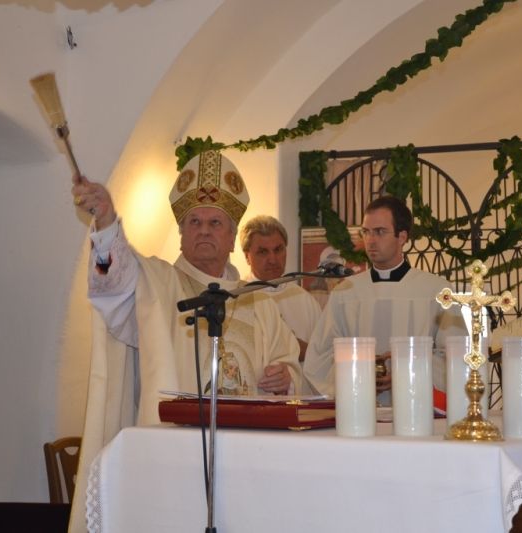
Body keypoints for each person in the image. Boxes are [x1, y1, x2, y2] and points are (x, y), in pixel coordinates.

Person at [68, 150, 301, 533]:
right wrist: (106, 222)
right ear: (181, 232)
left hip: (249, 458)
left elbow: (290, 363)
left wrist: (286, 376)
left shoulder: (258, 300)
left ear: (232, 239)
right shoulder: (157, 282)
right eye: (194, 221)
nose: (204, 230)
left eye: (215, 222)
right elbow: (113, 281)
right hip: (176, 457)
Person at [303, 195, 468, 402]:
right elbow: (320, 358)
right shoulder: (345, 292)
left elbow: (456, 356)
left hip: (416, 407)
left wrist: (407, 372)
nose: (371, 240)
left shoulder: (435, 290)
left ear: (402, 237)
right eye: (366, 232)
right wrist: (358, 374)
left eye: (380, 232)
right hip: (359, 407)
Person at [240, 215, 321, 363]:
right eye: (263, 252)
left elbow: (322, 356)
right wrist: (290, 347)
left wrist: (305, 351)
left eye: (278, 250)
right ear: (247, 256)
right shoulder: (238, 299)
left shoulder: (304, 300)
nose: (273, 259)